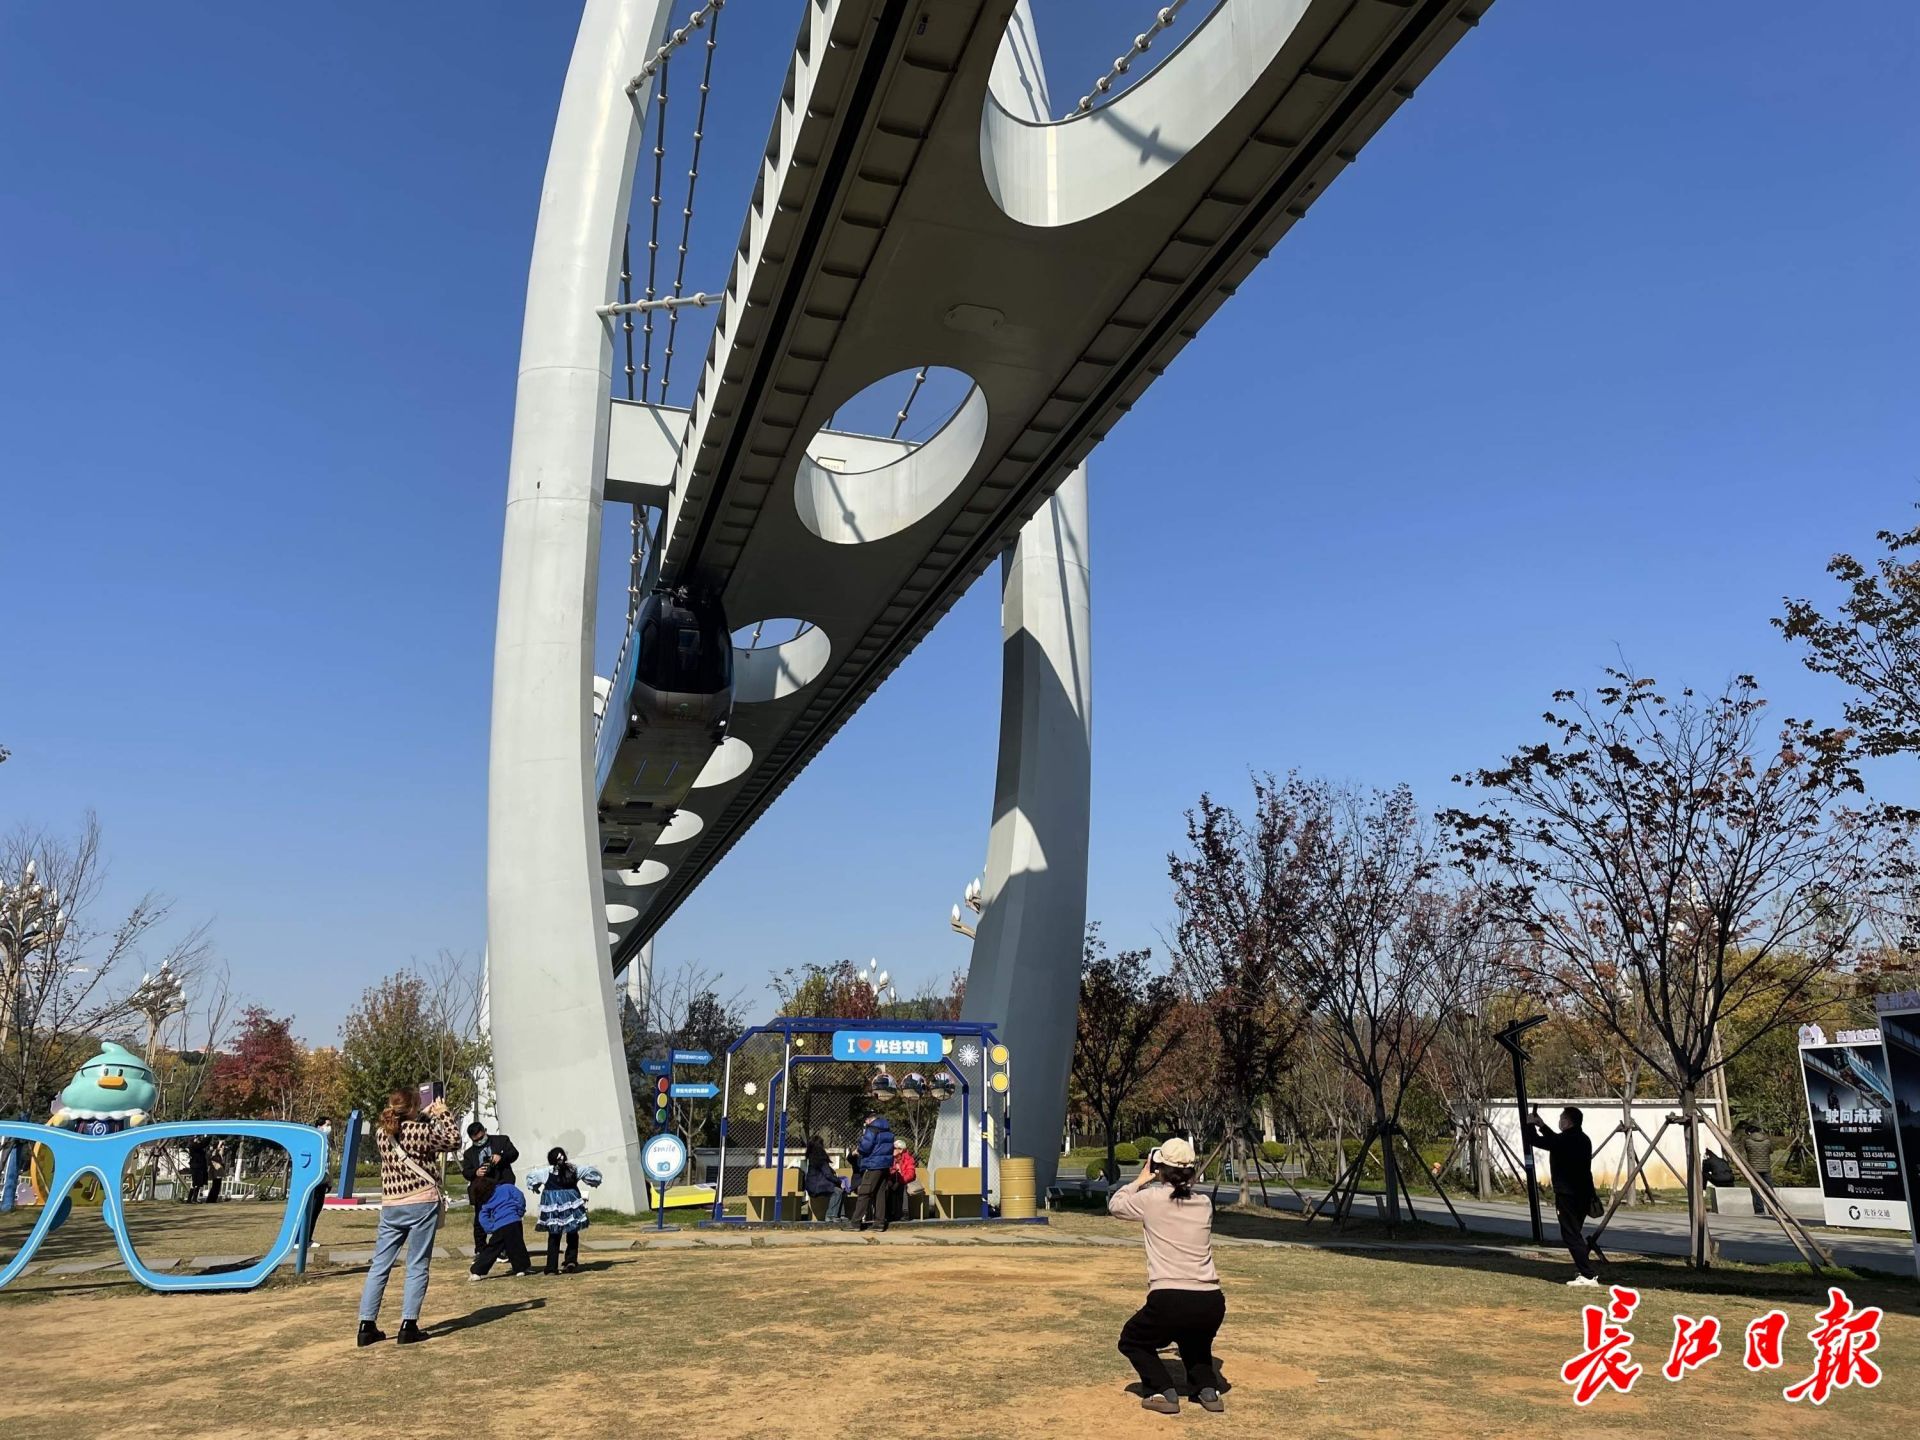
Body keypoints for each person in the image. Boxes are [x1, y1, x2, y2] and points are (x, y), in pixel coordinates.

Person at [1108, 1138, 1227, 1415]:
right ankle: (1207, 1389)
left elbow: (1116, 1205)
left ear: (1159, 1167)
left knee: (1132, 1339)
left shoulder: (1151, 1199)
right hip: (1211, 1300)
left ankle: (1161, 1389)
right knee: (1195, 1341)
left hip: (1169, 1296)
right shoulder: (1204, 1204)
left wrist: (1141, 1179)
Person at [356, 1088, 459, 1347]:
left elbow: (404, 1129)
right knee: (417, 1264)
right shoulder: (421, 1132)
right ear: (413, 1107)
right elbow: (453, 1140)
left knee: (380, 1265)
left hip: (392, 1204)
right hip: (422, 1201)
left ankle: (366, 1326)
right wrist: (443, 1114)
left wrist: (423, 1114)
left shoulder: (382, 1133)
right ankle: (408, 1325)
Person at [1526, 1106, 1601, 1287]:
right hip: (1584, 1194)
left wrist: (1530, 1125)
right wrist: (1541, 1125)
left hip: (1567, 1195)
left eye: (1562, 1118)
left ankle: (1588, 1275)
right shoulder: (1583, 1139)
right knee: (1575, 1233)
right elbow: (1555, 1140)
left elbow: (1535, 1140)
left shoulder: (1565, 1140)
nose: (1560, 1121)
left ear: (1567, 1122)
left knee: (1571, 1235)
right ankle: (1585, 1272)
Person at [529, 1147, 602, 1273]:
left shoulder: (571, 1170)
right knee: (557, 1234)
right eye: (559, 1158)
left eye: (562, 1156)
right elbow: (532, 1177)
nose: (561, 1159)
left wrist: (535, 1186)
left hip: (568, 1206)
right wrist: (535, 1186)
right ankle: (555, 1266)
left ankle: (567, 1262)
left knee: (568, 1233)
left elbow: (589, 1172)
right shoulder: (550, 1172)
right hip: (556, 1207)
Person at [461, 1121, 521, 1250]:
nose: (479, 1141)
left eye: (481, 1138)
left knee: (504, 1218)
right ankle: (481, 1249)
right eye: (476, 1140)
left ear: (485, 1131)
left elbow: (514, 1154)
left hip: (502, 1184)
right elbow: (466, 1172)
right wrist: (476, 1172)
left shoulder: (501, 1141)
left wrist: (501, 1157)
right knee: (480, 1219)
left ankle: (505, 1248)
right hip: (483, 1189)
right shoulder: (469, 1153)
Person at [467, 1176, 535, 1280]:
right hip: (514, 1221)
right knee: (517, 1245)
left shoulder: (487, 1200)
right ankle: (521, 1268)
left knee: (492, 1249)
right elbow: (520, 1197)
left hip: (499, 1226)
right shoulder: (508, 1187)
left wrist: (491, 1228)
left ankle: (477, 1271)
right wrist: (520, 1211)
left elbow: (483, 1217)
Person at [849, 1113, 895, 1232]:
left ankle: (855, 1222)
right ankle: (879, 1223)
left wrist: (858, 1150)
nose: (865, 1123)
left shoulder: (872, 1129)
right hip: (885, 1165)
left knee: (864, 1192)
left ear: (870, 1119)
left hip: (873, 1164)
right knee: (880, 1194)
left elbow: (865, 1147)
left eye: (866, 1120)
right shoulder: (887, 1130)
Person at [1737, 1121, 1781, 1215]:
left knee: (1756, 1190)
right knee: (1769, 1189)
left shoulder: (1747, 1141)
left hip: (1753, 1169)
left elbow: (1743, 1153)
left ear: (1749, 1132)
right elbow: (1771, 1151)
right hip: (1766, 1168)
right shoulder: (1767, 1140)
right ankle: (1774, 1209)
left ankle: (1759, 1210)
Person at [802, 1135, 843, 1222]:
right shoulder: (820, 1158)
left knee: (839, 1190)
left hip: (812, 1186)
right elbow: (828, 1175)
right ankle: (831, 1215)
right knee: (838, 1191)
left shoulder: (811, 1157)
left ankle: (841, 1215)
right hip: (817, 1187)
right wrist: (839, 1181)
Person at [889, 1141, 920, 1224]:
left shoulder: (909, 1159)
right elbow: (887, 1171)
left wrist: (900, 1181)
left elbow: (910, 1174)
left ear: (901, 1150)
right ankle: (889, 1212)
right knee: (887, 1187)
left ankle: (905, 1212)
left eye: (894, 1148)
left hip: (903, 1181)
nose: (892, 1150)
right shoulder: (890, 1158)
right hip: (892, 1180)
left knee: (903, 1187)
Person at [186, 1136, 210, 1203]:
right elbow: (203, 1144)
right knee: (196, 1183)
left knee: (197, 1183)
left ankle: (193, 1199)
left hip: (199, 1167)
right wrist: (208, 1136)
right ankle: (191, 1199)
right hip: (196, 1167)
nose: (198, 1140)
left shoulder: (196, 1147)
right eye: (196, 1139)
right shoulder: (193, 1146)